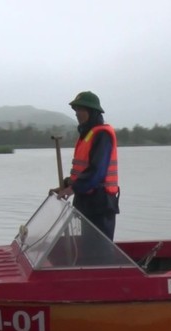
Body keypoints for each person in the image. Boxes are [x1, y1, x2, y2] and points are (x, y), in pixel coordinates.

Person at [52, 91, 120, 240]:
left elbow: (97, 171)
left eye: (81, 110)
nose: (77, 113)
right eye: (76, 110)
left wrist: (72, 189)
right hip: (86, 202)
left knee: (100, 251)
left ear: (92, 112)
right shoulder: (87, 135)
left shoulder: (102, 135)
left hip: (100, 204)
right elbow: (82, 171)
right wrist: (66, 184)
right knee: (88, 248)